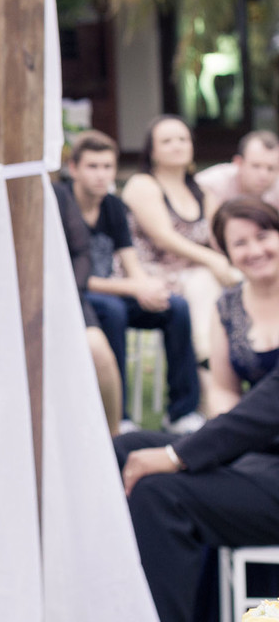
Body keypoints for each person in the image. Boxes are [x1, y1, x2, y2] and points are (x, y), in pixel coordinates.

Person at [116, 197, 279, 622]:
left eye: (264, 235)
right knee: (124, 447)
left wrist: (179, 456)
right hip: (254, 451)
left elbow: (268, 404)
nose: (255, 249)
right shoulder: (229, 305)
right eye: (240, 243)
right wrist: (214, 447)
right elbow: (226, 393)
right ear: (226, 254)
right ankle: (105, 591)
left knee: (159, 491)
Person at [66, 130, 203, 433]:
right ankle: (121, 415)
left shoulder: (113, 206)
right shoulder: (63, 205)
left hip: (114, 289)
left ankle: (182, 412)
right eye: (93, 167)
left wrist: (148, 288)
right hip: (79, 295)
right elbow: (74, 278)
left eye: (107, 167)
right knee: (113, 311)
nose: (101, 176)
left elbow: (129, 260)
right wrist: (133, 287)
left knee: (175, 306)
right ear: (73, 168)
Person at [122, 115, 240, 369]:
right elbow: (163, 238)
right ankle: (208, 363)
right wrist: (213, 260)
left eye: (183, 139)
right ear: (152, 151)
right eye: (167, 141)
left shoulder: (201, 191)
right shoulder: (142, 185)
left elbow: (221, 237)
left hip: (199, 270)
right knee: (203, 281)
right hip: (151, 273)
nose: (177, 145)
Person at [52, 178, 122, 436]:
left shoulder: (56, 194)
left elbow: (81, 250)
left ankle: (113, 437)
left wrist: (69, 290)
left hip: (63, 295)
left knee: (98, 352)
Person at [195, 129, 279, 220]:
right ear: (238, 163)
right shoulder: (212, 183)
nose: (264, 175)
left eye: (271, 168)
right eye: (256, 166)